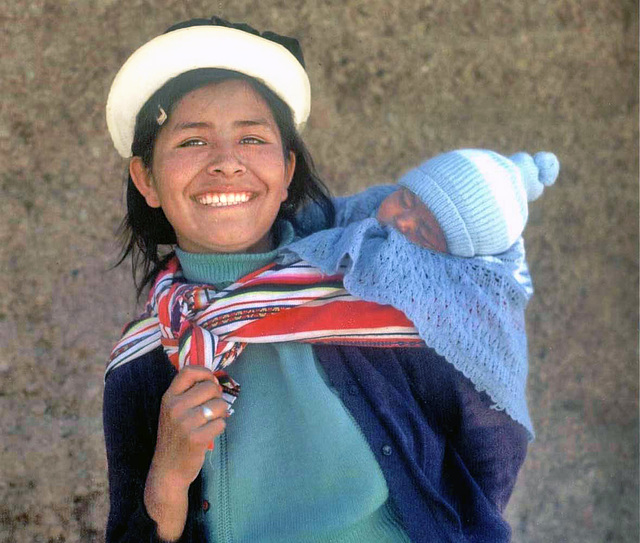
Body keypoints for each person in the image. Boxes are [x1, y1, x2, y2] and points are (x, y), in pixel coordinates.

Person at [103, 16, 558, 543]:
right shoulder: (141, 361)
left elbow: (488, 440)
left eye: (252, 137)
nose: (226, 163)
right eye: (191, 142)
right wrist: (168, 479)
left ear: (287, 169)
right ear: (147, 179)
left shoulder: (379, 297)